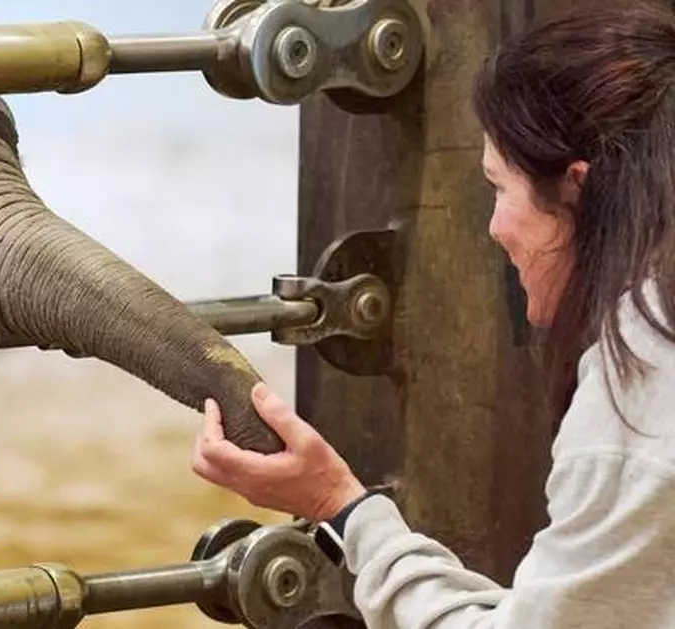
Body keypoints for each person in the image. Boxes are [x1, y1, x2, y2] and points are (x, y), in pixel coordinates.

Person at [190, 1, 675, 627]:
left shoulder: (640, 381)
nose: (493, 229)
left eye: (499, 188)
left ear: (575, 188)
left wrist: (341, 506)